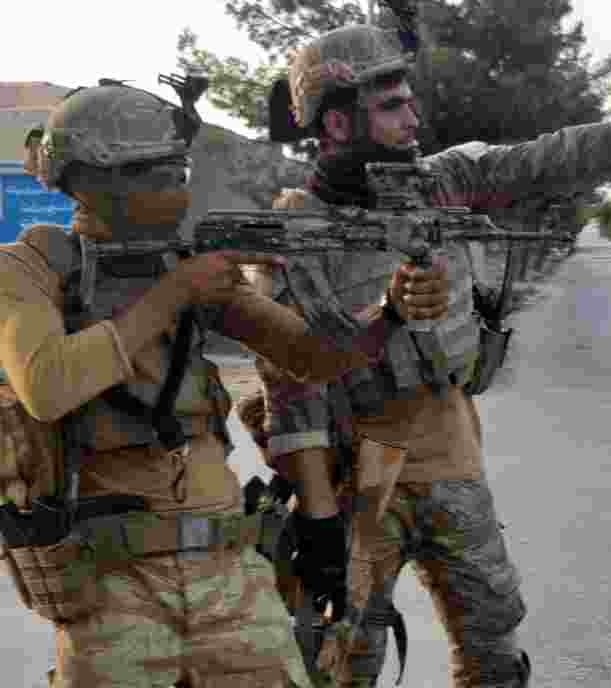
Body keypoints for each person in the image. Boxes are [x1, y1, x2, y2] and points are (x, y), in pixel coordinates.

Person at [242, 21, 611, 688]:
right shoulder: (289, 235)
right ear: (333, 125)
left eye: (410, 99)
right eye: (390, 106)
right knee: (342, 659)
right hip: (352, 465)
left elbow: (555, 156)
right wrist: (323, 523)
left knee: (493, 642)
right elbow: (290, 390)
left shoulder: (439, 183)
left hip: (448, 445)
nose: (413, 117)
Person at [0, 78, 376, 688]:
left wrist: (391, 313)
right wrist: (176, 294)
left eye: (178, 169)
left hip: (231, 574)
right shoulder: (28, 269)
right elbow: (46, 384)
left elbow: (313, 359)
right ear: (90, 181)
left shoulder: (186, 264)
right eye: (154, 172)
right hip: (107, 586)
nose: (178, 188)